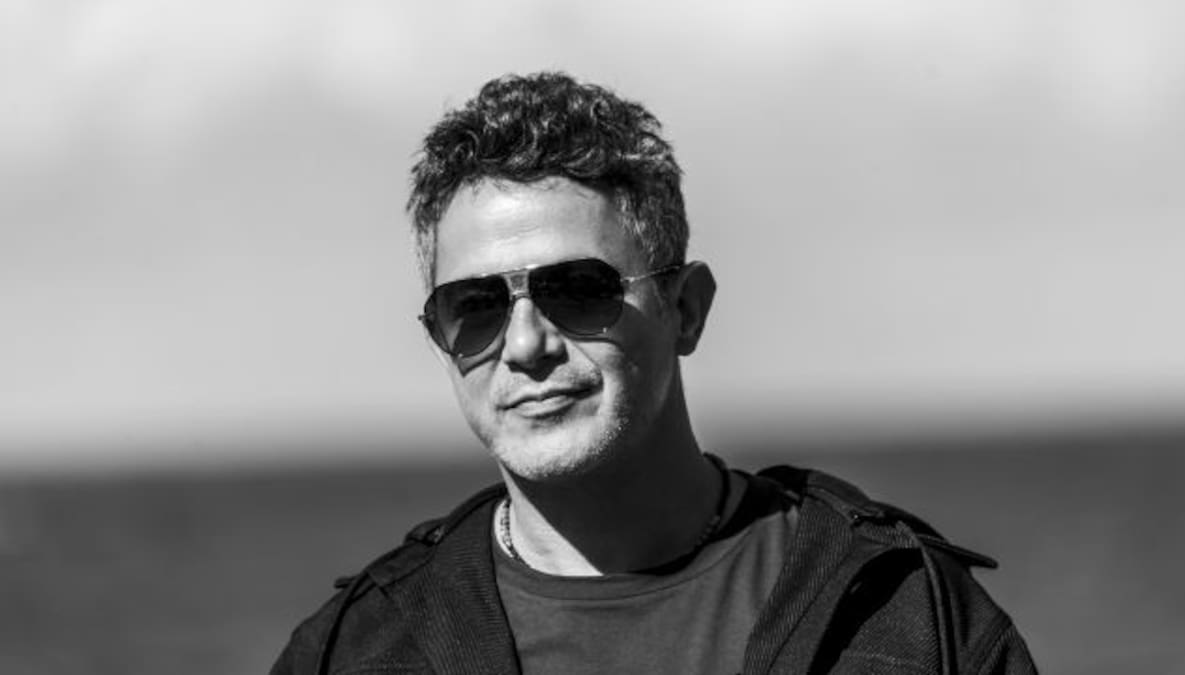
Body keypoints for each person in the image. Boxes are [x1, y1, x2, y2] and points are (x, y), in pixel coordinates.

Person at [271, 71, 1037, 675]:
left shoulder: (903, 615)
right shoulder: (357, 651)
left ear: (686, 309)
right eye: (475, 306)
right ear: (439, 337)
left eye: (578, 289)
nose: (526, 343)